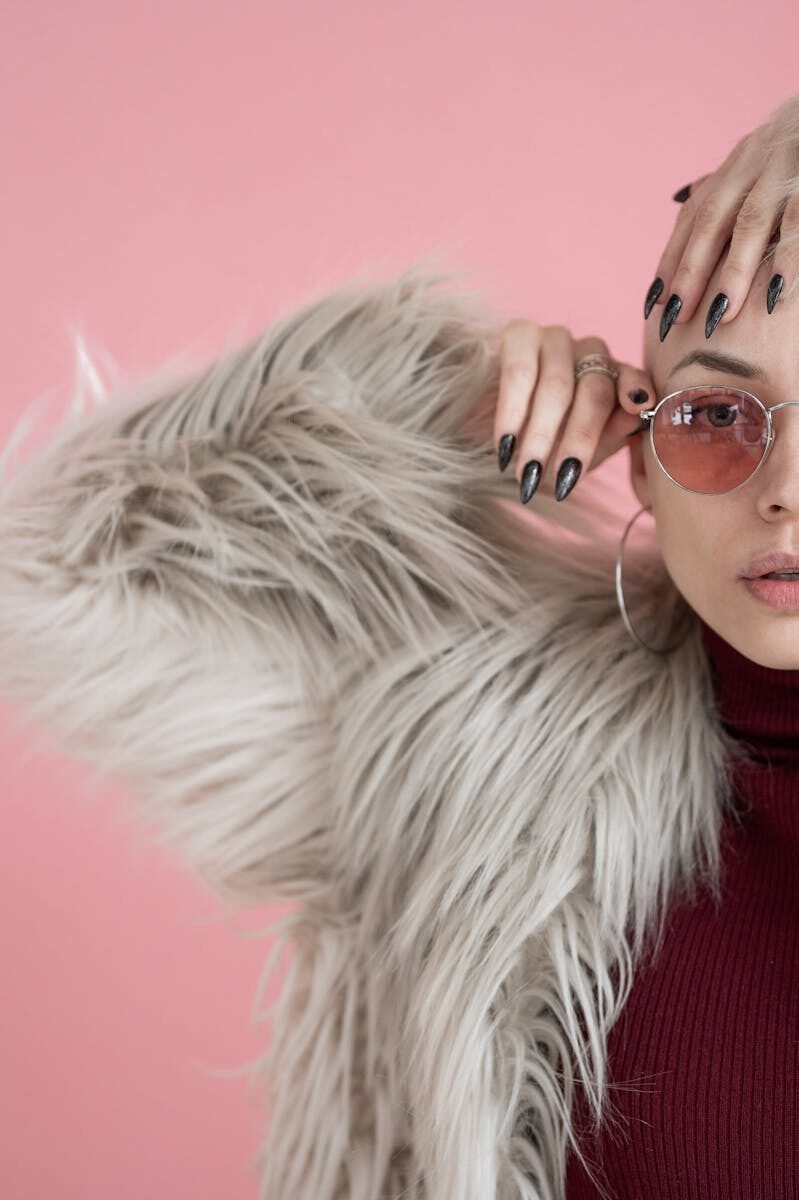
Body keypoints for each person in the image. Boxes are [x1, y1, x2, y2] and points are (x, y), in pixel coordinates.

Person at [0, 96, 797, 1200]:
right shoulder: (477, 742)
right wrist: (429, 410)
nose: (785, 495)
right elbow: (55, 568)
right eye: (717, 419)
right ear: (642, 457)